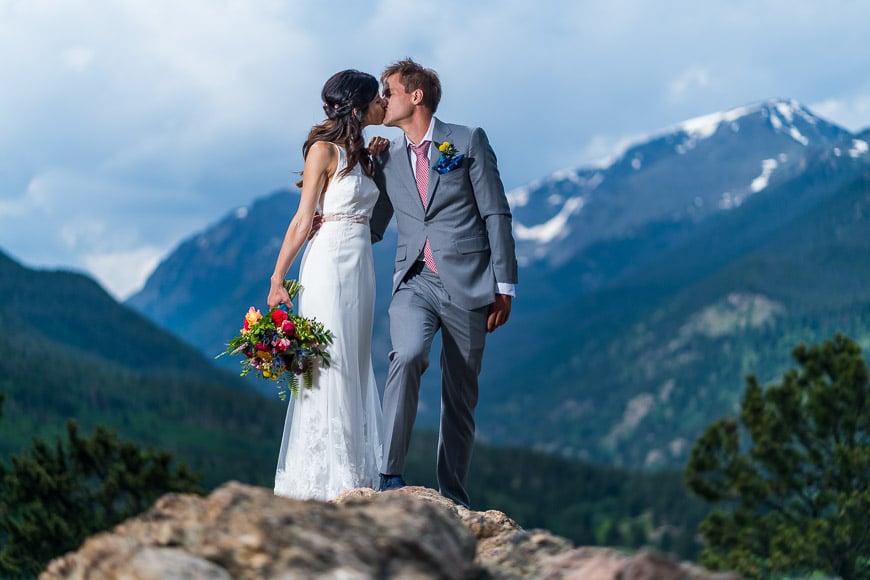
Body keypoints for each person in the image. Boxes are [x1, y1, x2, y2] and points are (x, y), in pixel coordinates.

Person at [369, 59, 518, 508]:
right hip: (414, 280)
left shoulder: (467, 140)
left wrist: (504, 284)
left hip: (469, 284)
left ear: (416, 97)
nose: (382, 99)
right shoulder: (386, 158)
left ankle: (453, 495)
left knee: (459, 395)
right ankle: (389, 476)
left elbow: (495, 211)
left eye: (388, 91)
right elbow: (374, 225)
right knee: (408, 353)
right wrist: (328, 221)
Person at [269, 70, 386, 501]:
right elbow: (303, 218)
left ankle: (355, 468)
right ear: (358, 105)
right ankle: (327, 477)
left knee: (354, 359)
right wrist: (278, 277)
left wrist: (375, 162)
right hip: (328, 260)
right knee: (329, 360)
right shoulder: (323, 150)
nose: (383, 105)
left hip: (361, 265)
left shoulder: (366, 155)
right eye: (378, 99)